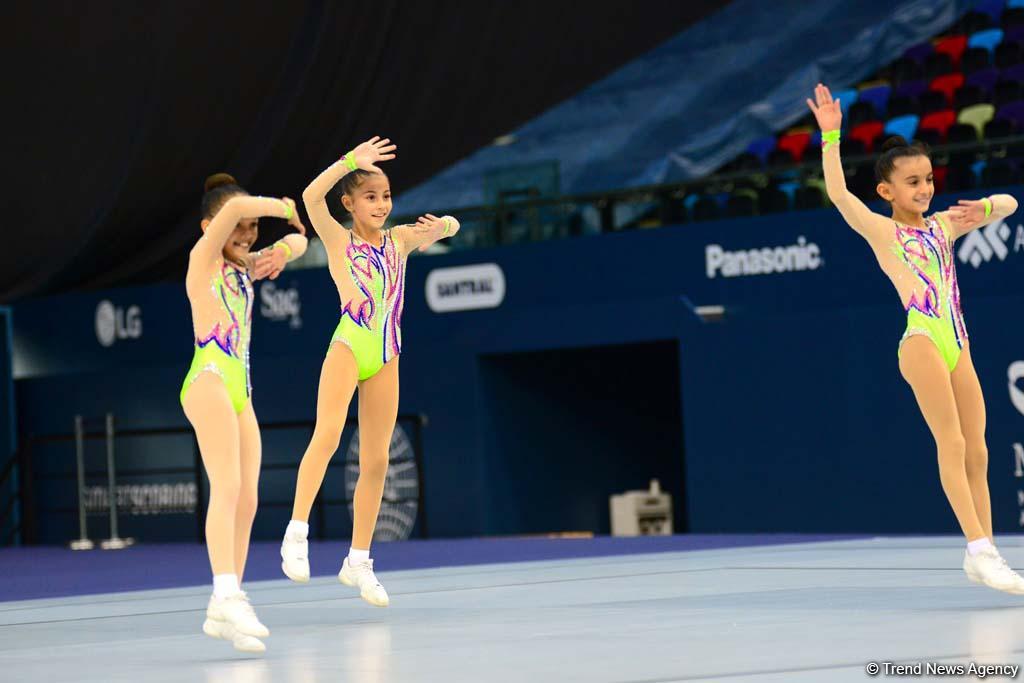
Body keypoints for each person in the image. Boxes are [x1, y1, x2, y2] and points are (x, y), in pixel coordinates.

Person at [807, 84, 1022, 593]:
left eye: (927, 178)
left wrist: (986, 207)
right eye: (911, 182)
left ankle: (987, 551)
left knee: (979, 451)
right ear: (887, 192)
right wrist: (831, 135)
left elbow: (1013, 202)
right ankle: (976, 546)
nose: (924, 189)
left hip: (958, 343)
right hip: (922, 339)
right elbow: (838, 194)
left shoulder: (944, 226)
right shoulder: (883, 232)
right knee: (949, 440)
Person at [280, 138, 459, 606]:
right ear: (350, 203)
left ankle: (358, 560)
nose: (381, 204)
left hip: (387, 354)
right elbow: (309, 198)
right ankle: (296, 534)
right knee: (329, 436)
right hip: (349, 345)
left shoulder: (399, 239)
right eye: (370, 197)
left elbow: (450, 227)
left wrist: (443, 225)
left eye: (386, 196)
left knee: (377, 460)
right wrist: (348, 163)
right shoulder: (339, 238)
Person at [181, 173, 308, 651]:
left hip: (241, 389)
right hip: (208, 379)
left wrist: (284, 247)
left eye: (254, 227)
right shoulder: (202, 262)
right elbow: (235, 212)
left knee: (249, 499)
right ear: (209, 225)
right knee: (228, 486)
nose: (247, 233)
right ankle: (225, 594)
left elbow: (300, 240)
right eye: (240, 225)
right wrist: (281, 204)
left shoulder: (241, 267)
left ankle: (226, 603)